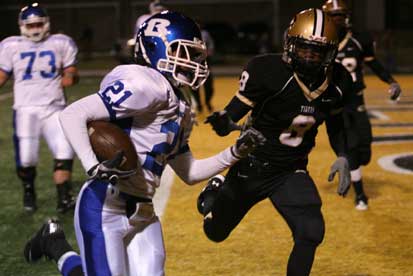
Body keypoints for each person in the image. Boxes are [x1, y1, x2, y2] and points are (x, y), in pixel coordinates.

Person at [33, 11, 263, 276]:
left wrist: (234, 152)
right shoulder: (145, 84)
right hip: (105, 206)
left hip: (143, 211)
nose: (193, 61)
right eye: (183, 52)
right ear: (156, 48)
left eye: (195, 54)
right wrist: (92, 165)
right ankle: (56, 246)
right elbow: (73, 114)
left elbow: (189, 172)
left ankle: (54, 243)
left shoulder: (181, 107)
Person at [198, 8, 352, 276]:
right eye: (304, 48)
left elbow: (336, 122)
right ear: (290, 44)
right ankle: (217, 189)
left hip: (290, 170)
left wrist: (342, 154)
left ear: (330, 52)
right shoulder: (267, 70)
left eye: (317, 51)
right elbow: (232, 114)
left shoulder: (338, 81)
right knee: (215, 233)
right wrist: (226, 122)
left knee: (311, 231)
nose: (309, 56)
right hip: (252, 167)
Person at [322, 0, 402, 210]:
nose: (339, 18)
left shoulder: (359, 38)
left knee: (364, 148)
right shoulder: (320, 39)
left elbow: (373, 62)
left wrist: (391, 80)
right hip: (335, 102)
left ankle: (355, 166)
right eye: (334, 14)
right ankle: (360, 194)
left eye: (341, 14)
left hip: (356, 99)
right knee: (351, 149)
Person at [0, 3, 78, 213]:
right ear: (22, 25)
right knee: (27, 157)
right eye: (31, 24)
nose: (35, 28)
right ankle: (29, 191)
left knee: (65, 150)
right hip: (25, 109)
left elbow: (71, 69)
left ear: (46, 24)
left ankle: (64, 197)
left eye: (38, 23)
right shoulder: (10, 46)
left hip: (55, 108)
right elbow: (2, 74)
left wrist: (70, 76)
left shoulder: (60, 42)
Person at [193, 23, 215, 112]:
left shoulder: (204, 33)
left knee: (208, 83)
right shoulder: (190, 33)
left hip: (204, 60)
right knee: (194, 84)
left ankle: (208, 102)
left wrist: (209, 51)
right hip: (193, 61)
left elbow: (211, 44)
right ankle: (198, 104)